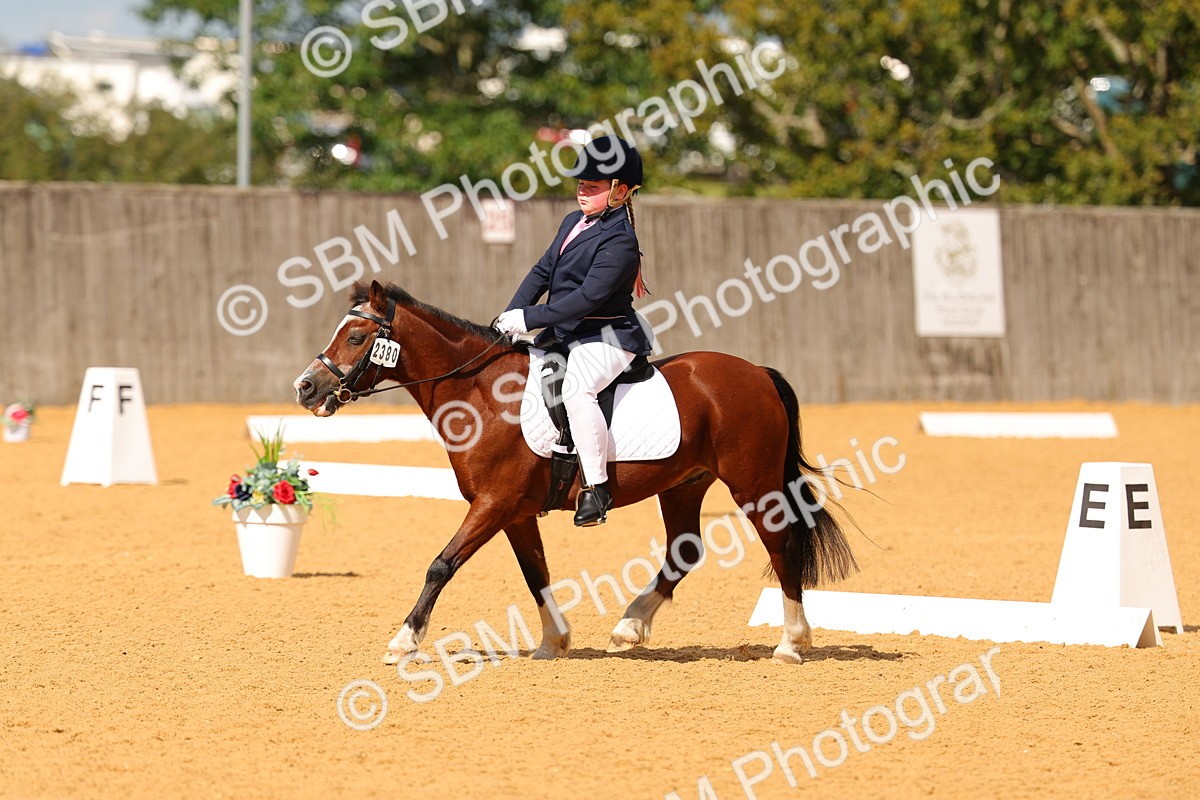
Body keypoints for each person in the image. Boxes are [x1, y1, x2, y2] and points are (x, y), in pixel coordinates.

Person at [494, 135, 652, 526]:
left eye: (594, 186)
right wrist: (510, 315)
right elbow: (542, 272)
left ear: (621, 192)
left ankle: (596, 489)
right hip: (566, 333)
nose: (583, 189)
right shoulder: (572, 222)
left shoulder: (621, 240)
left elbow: (588, 298)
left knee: (576, 388)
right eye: (581, 183)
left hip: (608, 335)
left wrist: (531, 319)